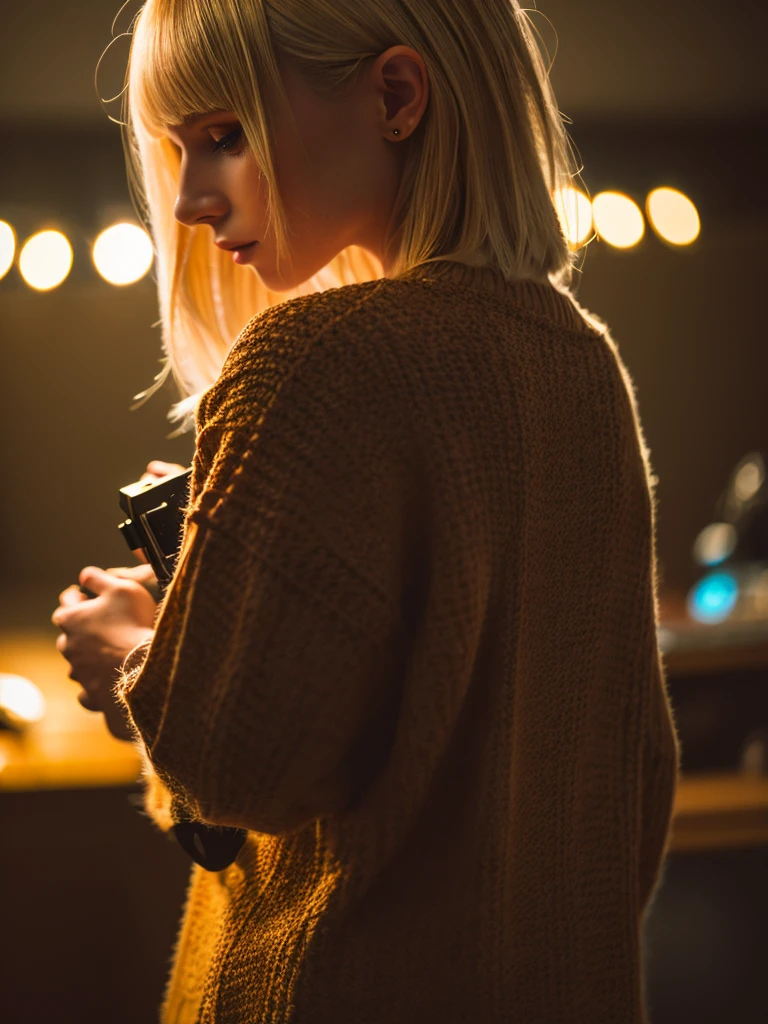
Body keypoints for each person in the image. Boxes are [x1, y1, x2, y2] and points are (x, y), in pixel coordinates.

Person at [52, 1, 681, 1021]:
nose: (190, 202)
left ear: (396, 96)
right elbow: (629, 770)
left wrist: (138, 660)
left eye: (224, 136)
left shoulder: (312, 365)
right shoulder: (584, 369)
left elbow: (232, 764)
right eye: (179, 150)